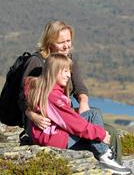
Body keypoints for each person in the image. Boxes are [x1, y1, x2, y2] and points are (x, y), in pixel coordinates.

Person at [18, 20, 123, 164]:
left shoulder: (68, 60)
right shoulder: (36, 62)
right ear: (49, 42)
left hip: (62, 115)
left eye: (69, 41)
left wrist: (83, 103)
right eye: (61, 42)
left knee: (110, 131)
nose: (66, 46)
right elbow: (23, 98)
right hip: (44, 126)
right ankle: (110, 163)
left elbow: (80, 88)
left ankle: (113, 164)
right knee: (99, 131)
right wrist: (33, 115)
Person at [24, 54, 131, 175]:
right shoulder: (53, 96)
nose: (69, 75)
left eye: (69, 71)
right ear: (54, 71)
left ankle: (109, 161)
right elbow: (73, 123)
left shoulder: (40, 88)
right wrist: (100, 134)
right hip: (55, 139)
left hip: (49, 137)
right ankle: (105, 157)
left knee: (91, 140)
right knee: (93, 114)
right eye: (65, 71)